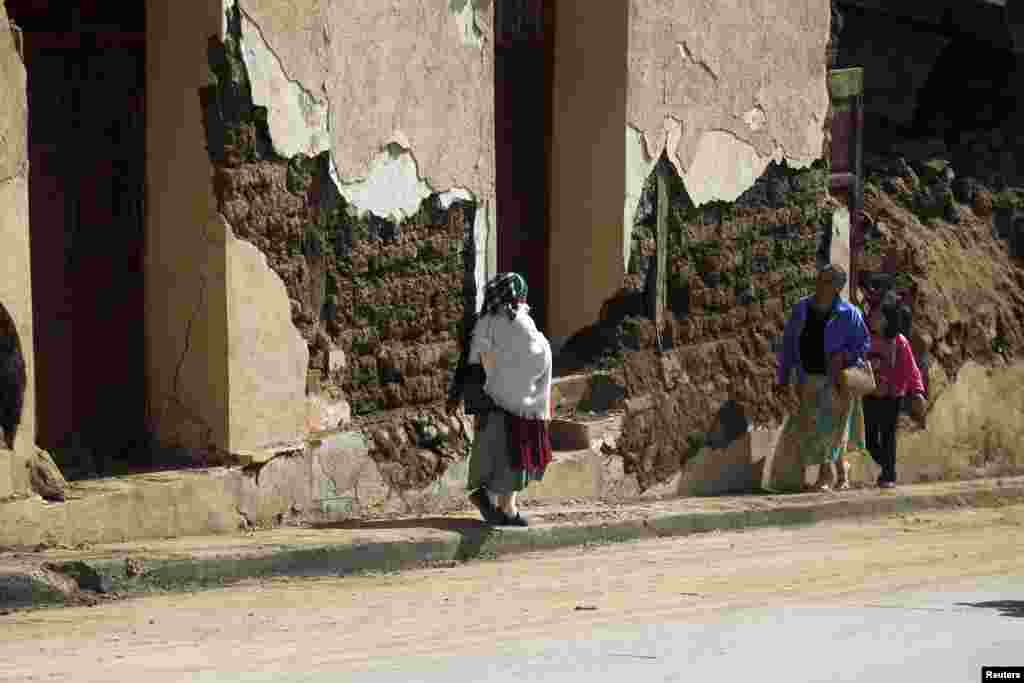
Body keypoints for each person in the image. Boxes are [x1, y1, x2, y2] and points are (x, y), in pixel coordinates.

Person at [446, 272, 553, 526]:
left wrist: (457, 394)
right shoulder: (515, 321)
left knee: (494, 452)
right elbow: (537, 353)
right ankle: (496, 502)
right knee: (512, 454)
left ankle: (505, 508)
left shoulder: (482, 322)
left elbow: (469, 362)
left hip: (486, 400)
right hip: (510, 402)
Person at [775, 263, 871, 491]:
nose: (820, 283)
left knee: (830, 429)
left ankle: (825, 475)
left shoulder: (850, 314)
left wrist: (845, 355)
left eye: (827, 280)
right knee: (817, 429)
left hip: (837, 380)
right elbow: (789, 343)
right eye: (820, 278)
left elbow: (863, 344)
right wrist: (783, 376)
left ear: (837, 287)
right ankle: (842, 470)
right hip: (808, 377)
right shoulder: (801, 308)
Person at [864, 299, 927, 489]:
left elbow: (911, 369)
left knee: (888, 436)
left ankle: (888, 475)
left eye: (877, 315)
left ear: (887, 319)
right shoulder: (867, 338)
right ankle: (888, 466)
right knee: (869, 439)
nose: (872, 318)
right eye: (872, 314)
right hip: (870, 394)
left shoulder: (900, 341)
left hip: (892, 396)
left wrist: (917, 391)